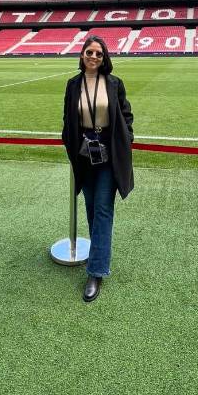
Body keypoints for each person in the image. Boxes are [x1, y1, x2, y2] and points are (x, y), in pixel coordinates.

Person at [61, 35, 134, 302]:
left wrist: (127, 138)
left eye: (99, 54)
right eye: (89, 52)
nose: (93, 57)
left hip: (109, 151)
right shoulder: (73, 85)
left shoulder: (114, 84)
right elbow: (68, 119)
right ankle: (98, 255)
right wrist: (71, 145)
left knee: (103, 209)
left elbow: (126, 114)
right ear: (81, 55)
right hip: (83, 152)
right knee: (91, 209)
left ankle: (96, 271)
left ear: (105, 59)